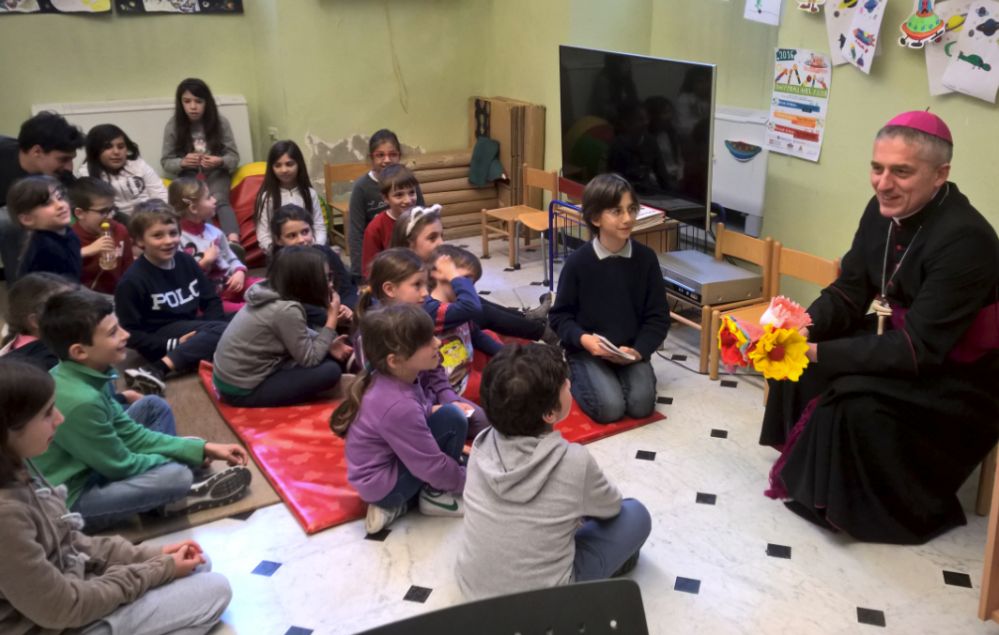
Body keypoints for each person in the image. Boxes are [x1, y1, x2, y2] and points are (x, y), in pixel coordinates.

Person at [760, 111, 999, 545]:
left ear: (939, 175)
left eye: (901, 172)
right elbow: (851, 289)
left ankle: (856, 505)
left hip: (959, 375)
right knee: (798, 365)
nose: (883, 183)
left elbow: (919, 349)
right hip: (902, 339)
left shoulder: (967, 239)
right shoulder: (882, 210)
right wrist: (802, 328)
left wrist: (815, 351)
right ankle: (806, 474)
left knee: (849, 403)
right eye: (877, 167)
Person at [0, 359, 233, 635]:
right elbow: (63, 608)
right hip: (59, 620)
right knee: (215, 590)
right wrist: (157, 570)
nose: (59, 419)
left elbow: (72, 542)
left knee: (199, 564)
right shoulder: (6, 514)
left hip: (71, 590)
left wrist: (149, 555)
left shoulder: (19, 465)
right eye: (48, 414)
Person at [34, 290, 251, 533]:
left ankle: (159, 497)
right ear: (80, 351)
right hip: (73, 499)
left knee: (153, 406)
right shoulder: (81, 401)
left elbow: (130, 434)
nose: (126, 335)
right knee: (176, 476)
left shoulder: (88, 372)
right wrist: (179, 455)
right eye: (113, 332)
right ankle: (170, 498)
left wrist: (200, 448)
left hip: (94, 462)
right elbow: (120, 466)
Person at [455, 343, 651, 599]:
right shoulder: (574, 460)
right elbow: (612, 508)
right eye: (565, 383)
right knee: (635, 513)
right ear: (549, 413)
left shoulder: (481, 444)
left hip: (473, 593)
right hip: (547, 607)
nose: (569, 385)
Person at [332, 304, 468, 536]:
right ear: (395, 360)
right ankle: (432, 498)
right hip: (385, 487)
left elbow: (418, 417)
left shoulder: (393, 378)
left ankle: (399, 504)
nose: (437, 343)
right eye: (427, 342)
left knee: (450, 416)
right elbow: (431, 465)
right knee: (454, 420)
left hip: (381, 476)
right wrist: (471, 481)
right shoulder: (397, 405)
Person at [548, 173, 670, 423]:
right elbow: (560, 316)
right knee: (610, 409)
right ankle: (575, 372)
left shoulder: (645, 259)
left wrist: (638, 352)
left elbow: (658, 318)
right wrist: (584, 340)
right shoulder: (578, 262)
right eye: (616, 211)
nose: (628, 219)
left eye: (631, 209)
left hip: (630, 350)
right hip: (587, 351)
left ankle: (614, 378)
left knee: (641, 406)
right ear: (595, 218)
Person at [357, 247, 488, 436]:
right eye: (417, 285)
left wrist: (449, 398)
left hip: (426, 398)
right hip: (398, 410)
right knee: (445, 427)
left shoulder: (420, 316)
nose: (426, 293)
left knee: (482, 423)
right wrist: (428, 409)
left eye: (426, 284)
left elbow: (436, 369)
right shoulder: (373, 333)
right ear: (390, 289)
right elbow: (383, 396)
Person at [212, 246, 352, 408]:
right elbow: (310, 359)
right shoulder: (286, 310)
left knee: (326, 351)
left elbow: (296, 332)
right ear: (306, 282)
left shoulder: (270, 290)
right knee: (330, 371)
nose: (331, 284)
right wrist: (332, 318)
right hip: (240, 390)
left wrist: (329, 344)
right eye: (326, 278)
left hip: (230, 378)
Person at [392, 205, 555, 343]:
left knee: (480, 301)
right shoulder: (408, 279)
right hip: (441, 327)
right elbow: (467, 308)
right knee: (483, 311)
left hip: (454, 318)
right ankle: (541, 331)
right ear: (409, 245)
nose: (441, 243)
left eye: (441, 236)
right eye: (432, 238)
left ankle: (528, 317)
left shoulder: (425, 265)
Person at [114, 200, 229, 395]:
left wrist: (209, 334)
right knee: (227, 330)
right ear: (140, 241)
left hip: (197, 327)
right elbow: (129, 333)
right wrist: (172, 344)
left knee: (249, 316)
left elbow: (211, 300)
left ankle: (209, 346)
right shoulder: (132, 281)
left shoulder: (185, 260)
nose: (169, 241)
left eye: (173, 233)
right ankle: (156, 368)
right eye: (158, 235)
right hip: (160, 339)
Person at [0, 112, 83, 285]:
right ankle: (23, 294)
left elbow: (84, 198)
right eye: (63, 159)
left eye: (71, 159)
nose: (69, 167)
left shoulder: (58, 176)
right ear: (37, 151)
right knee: (9, 222)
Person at [160, 78, 240, 244]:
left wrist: (219, 161)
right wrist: (182, 162)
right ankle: (211, 243)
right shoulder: (173, 125)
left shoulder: (220, 122)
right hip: (188, 174)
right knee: (198, 204)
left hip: (216, 172)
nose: (193, 107)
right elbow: (166, 161)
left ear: (207, 103)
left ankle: (233, 242)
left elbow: (233, 158)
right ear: (180, 103)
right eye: (187, 101)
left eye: (198, 101)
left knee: (218, 199)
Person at [348, 129, 426, 281]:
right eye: (380, 155)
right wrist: (360, 273)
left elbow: (423, 215)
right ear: (371, 158)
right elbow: (356, 233)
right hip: (380, 254)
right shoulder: (361, 187)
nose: (387, 160)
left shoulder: (408, 182)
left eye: (393, 154)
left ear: (399, 156)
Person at [424, 245, 502, 397]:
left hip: (466, 371)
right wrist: (454, 275)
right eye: (465, 280)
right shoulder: (432, 309)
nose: (469, 289)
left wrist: (511, 355)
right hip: (452, 386)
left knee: (491, 337)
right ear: (440, 274)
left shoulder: (457, 305)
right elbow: (473, 307)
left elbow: (477, 336)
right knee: (502, 388)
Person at [170, 177, 251, 312]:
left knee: (266, 288)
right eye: (208, 198)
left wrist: (239, 272)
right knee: (248, 310)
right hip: (205, 300)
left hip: (228, 285)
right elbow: (180, 279)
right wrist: (204, 262)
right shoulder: (175, 240)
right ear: (194, 208)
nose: (215, 200)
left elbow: (231, 258)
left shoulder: (214, 232)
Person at [268, 203, 357, 312]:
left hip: (338, 309)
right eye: (292, 235)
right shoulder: (280, 268)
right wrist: (330, 316)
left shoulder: (325, 253)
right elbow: (295, 307)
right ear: (278, 240)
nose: (301, 240)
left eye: (305, 232)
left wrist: (347, 308)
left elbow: (346, 287)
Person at [79, 123, 169, 219]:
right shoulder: (86, 174)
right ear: (95, 151)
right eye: (108, 147)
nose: (116, 152)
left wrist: (159, 216)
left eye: (121, 146)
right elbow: (99, 211)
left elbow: (160, 194)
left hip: (151, 218)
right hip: (116, 223)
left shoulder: (138, 164)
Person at [254, 139, 327, 252]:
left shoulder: (310, 193)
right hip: (281, 256)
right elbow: (263, 234)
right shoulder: (267, 197)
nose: (284, 170)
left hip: (310, 253)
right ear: (271, 168)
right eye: (278, 165)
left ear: (299, 164)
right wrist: (277, 252)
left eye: (289, 164)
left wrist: (316, 248)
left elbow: (319, 226)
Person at [9, 175, 81, 281]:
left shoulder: (68, 233)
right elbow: (60, 292)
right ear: (27, 219)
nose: (60, 205)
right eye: (47, 203)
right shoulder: (45, 248)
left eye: (60, 197)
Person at [0, 272, 78, 370]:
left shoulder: (16, 343)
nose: (77, 311)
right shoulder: (50, 361)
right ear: (35, 321)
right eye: (65, 307)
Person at [70, 177, 134, 294]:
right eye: (102, 212)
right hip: (84, 300)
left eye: (111, 210)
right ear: (80, 213)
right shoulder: (69, 238)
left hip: (117, 295)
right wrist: (85, 251)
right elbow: (58, 274)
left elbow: (129, 269)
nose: (109, 217)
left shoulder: (120, 230)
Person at [360, 164, 419, 279]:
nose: (407, 200)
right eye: (399, 195)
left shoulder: (423, 219)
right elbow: (369, 270)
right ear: (385, 198)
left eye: (412, 192)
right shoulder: (375, 228)